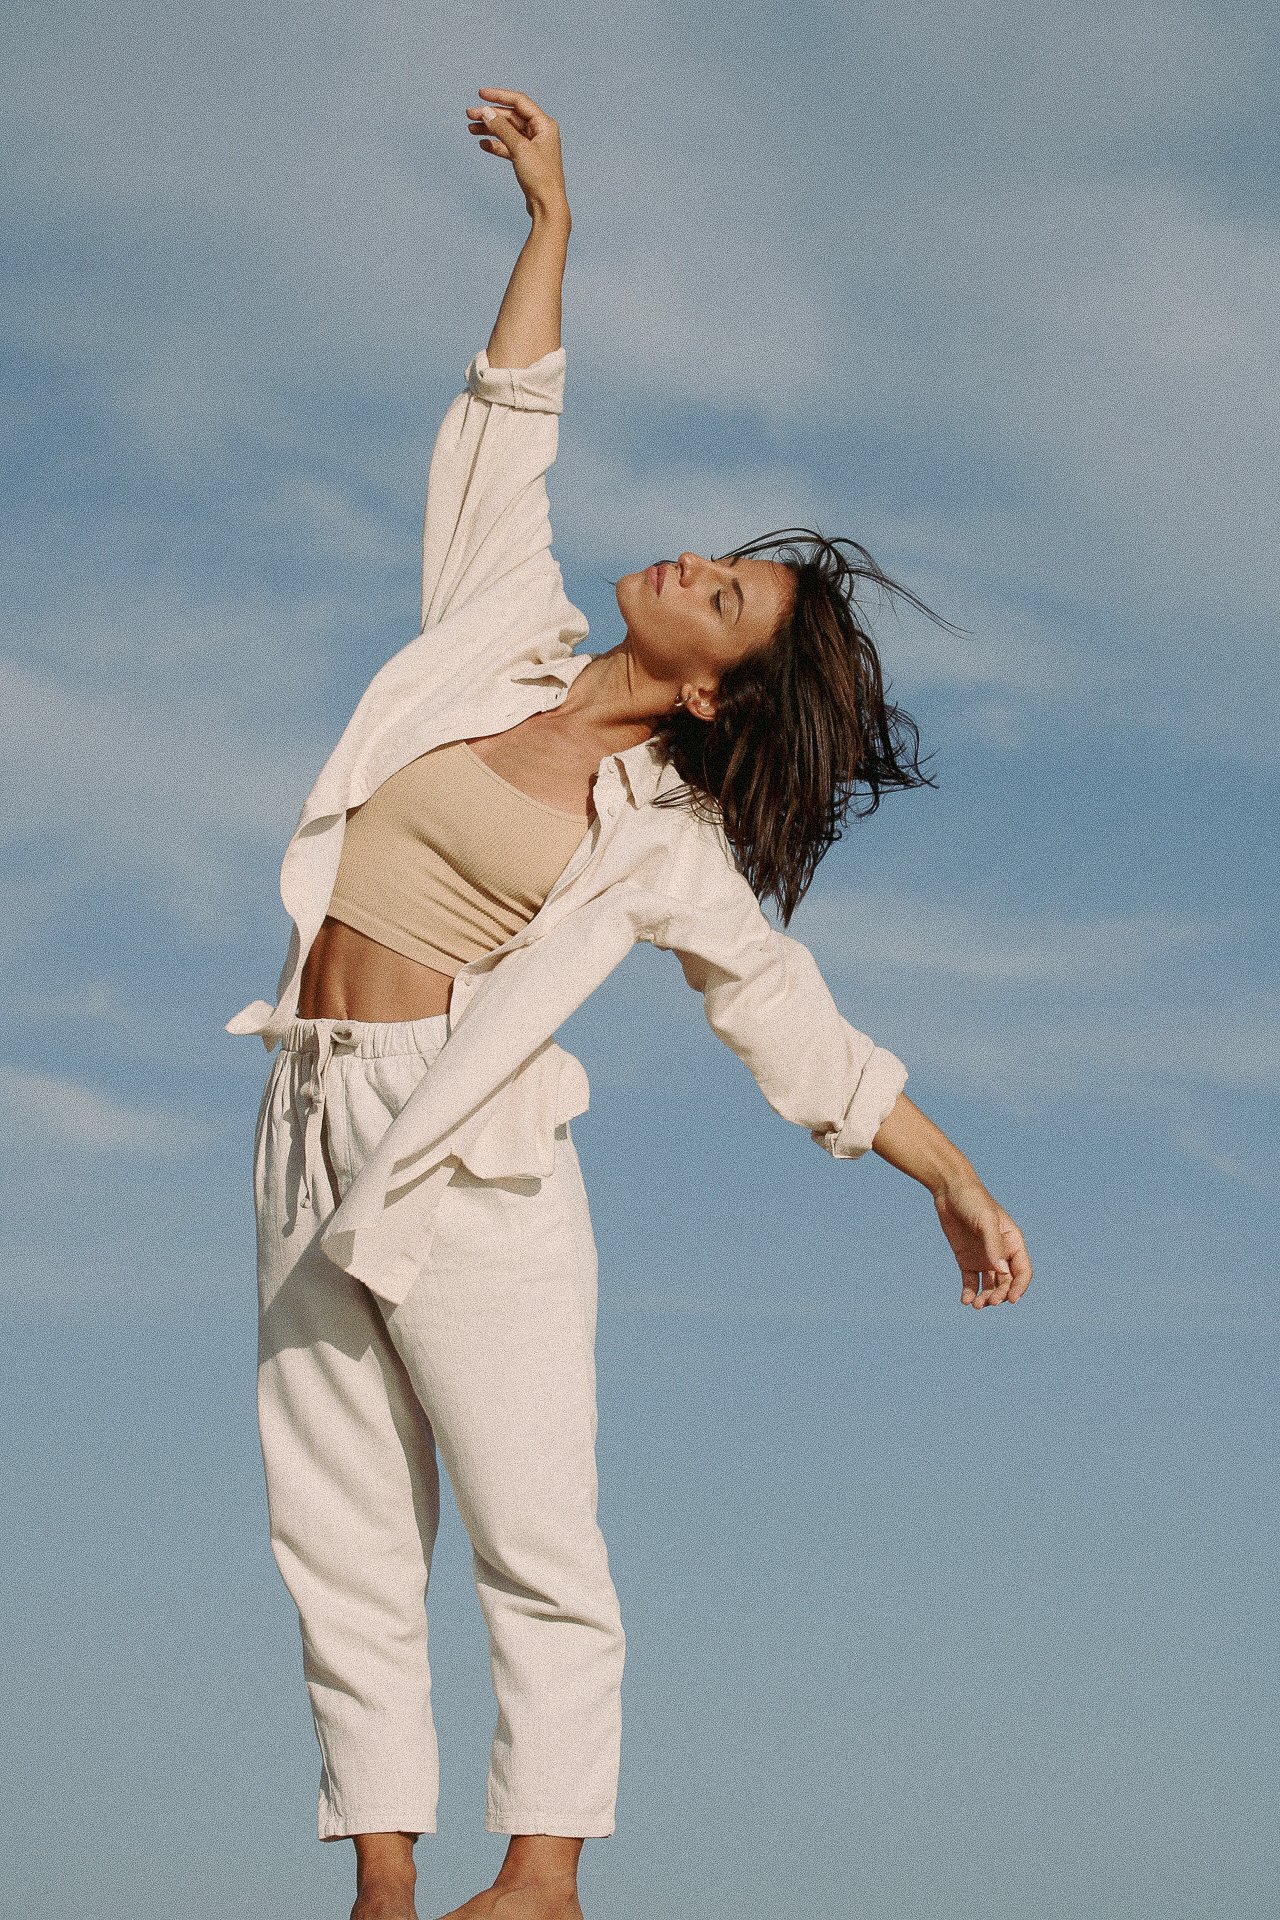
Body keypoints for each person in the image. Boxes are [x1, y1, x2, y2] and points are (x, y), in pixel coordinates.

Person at [229, 85, 1033, 1920]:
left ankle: (543, 1879)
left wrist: (950, 1172)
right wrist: (552, 226)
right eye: (719, 560)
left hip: (472, 1159)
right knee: (335, 1517)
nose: (689, 565)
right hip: (306, 1104)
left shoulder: (660, 837)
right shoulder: (496, 632)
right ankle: (380, 1883)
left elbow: (787, 1017)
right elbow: (501, 430)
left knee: (532, 1527)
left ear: (713, 694)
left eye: (724, 599)